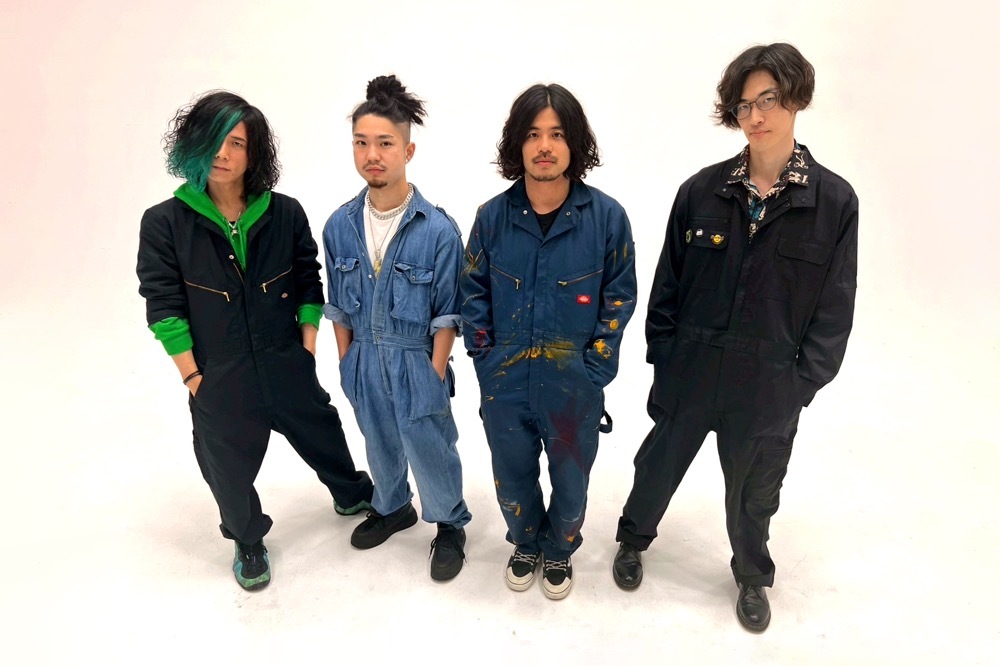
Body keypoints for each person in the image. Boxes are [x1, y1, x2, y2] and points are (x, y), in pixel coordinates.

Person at [612, 43, 858, 632]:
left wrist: (798, 385)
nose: (756, 116)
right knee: (656, 467)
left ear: (796, 98)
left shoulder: (833, 202)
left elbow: (835, 309)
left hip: (768, 382)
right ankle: (632, 540)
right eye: (744, 105)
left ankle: (751, 576)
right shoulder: (702, 191)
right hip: (692, 368)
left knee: (755, 493)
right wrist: (666, 359)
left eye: (767, 100)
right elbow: (666, 286)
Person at [136, 91, 374, 591]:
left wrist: (306, 347)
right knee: (225, 465)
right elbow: (164, 307)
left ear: (254, 153)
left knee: (323, 430)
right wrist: (194, 376)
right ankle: (247, 539)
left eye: (237, 143)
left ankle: (350, 492)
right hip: (218, 372)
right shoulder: (164, 223)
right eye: (213, 140)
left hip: (285, 357)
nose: (222, 153)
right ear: (193, 144)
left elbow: (308, 280)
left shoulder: (284, 213)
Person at [461, 83, 637, 599]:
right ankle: (525, 541)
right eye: (533, 134)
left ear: (574, 143)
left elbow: (619, 297)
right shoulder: (492, 218)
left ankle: (559, 548)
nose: (544, 146)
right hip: (505, 382)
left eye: (557, 134)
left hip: (573, 384)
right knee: (511, 473)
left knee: (571, 479)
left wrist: (594, 369)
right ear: (517, 144)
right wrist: (486, 360)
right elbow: (472, 292)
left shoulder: (607, 219)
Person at [322, 75, 471, 581]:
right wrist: (347, 361)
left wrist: (434, 371)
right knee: (379, 440)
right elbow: (338, 307)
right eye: (361, 143)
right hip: (363, 357)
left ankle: (449, 523)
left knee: (430, 445)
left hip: (416, 358)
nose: (372, 155)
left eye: (385, 143)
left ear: (408, 150)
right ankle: (392, 507)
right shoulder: (339, 225)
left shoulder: (438, 229)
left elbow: (448, 313)